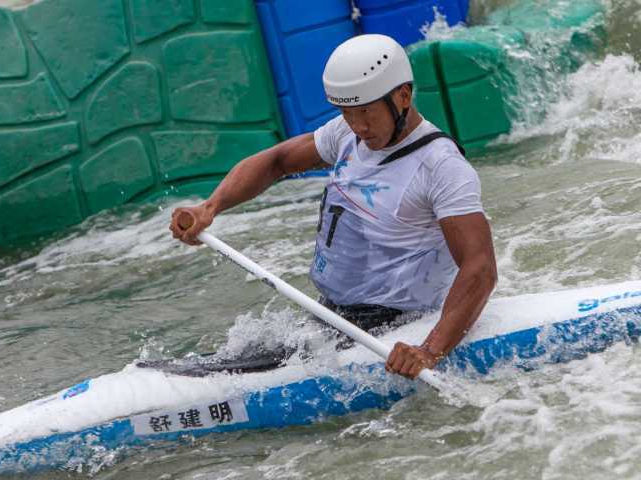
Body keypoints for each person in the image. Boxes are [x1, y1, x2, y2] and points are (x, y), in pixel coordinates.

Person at [169, 34, 497, 380]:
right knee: (216, 363)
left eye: (366, 112)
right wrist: (210, 207)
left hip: (395, 323)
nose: (358, 126)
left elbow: (480, 267)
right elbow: (277, 161)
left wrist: (429, 350)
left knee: (228, 376)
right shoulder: (346, 134)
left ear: (403, 96)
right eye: (346, 112)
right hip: (333, 314)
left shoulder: (441, 167)